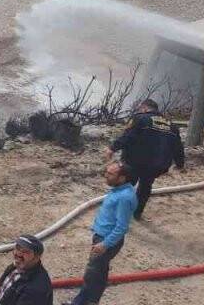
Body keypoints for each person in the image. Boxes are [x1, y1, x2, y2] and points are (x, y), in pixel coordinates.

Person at [106, 99, 184, 220]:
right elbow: (178, 147)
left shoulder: (141, 118)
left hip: (135, 161)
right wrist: (180, 164)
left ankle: (118, 212)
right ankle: (137, 213)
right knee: (145, 187)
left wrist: (112, 148)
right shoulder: (172, 126)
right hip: (157, 165)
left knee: (125, 185)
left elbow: (128, 136)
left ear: (145, 108)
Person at [70, 162, 135, 305]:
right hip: (103, 238)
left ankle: (83, 302)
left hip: (105, 240)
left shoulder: (124, 197)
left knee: (92, 275)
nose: (106, 175)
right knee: (97, 274)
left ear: (122, 178)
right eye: (107, 172)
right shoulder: (118, 190)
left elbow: (121, 227)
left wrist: (105, 244)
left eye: (111, 174)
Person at [0, 234, 52, 305]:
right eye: (17, 248)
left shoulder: (35, 289)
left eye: (25, 251)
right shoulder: (15, 267)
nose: (18, 254)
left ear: (37, 257)